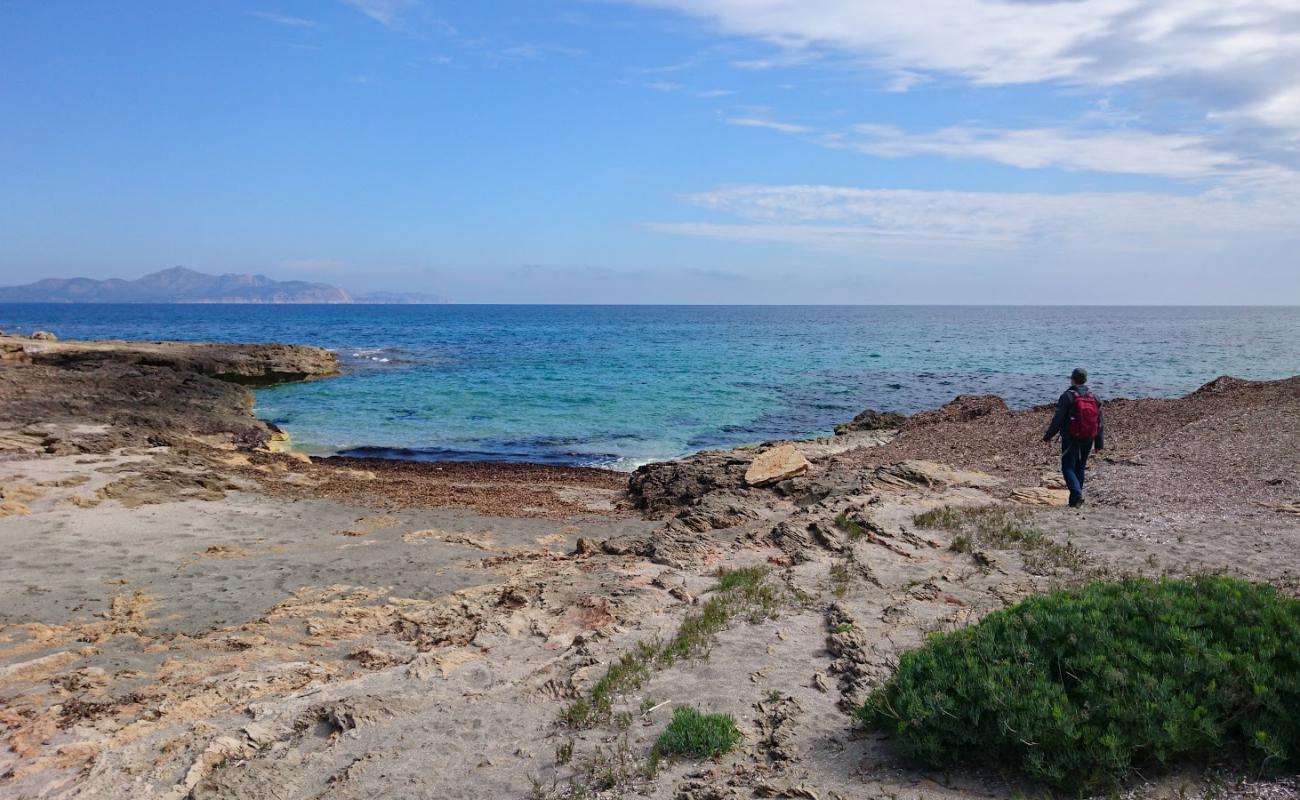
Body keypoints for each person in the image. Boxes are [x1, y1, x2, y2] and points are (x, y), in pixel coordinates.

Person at [1043, 367, 1104, 508]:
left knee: (1067, 468)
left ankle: (1076, 495)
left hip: (1071, 437)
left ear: (1072, 379)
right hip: (1088, 436)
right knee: (1080, 467)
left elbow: (1058, 419)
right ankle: (1074, 501)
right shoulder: (1094, 397)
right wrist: (1099, 443)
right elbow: (1100, 422)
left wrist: (1048, 436)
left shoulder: (1068, 396)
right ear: (1086, 380)